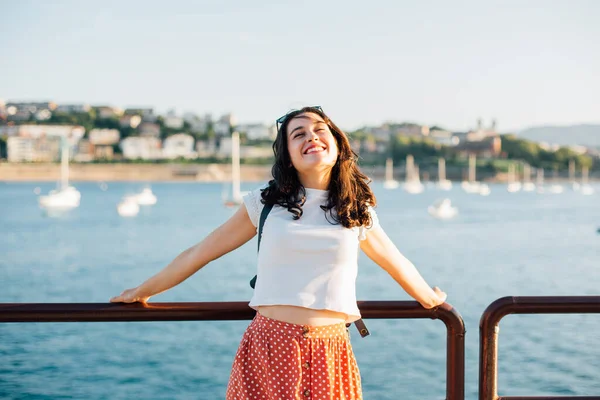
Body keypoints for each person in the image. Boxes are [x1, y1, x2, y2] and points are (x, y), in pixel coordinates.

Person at [110, 106, 447, 399]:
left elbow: (396, 262)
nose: (310, 137)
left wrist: (431, 300)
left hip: (330, 350)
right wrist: (143, 290)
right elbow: (201, 252)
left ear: (337, 144)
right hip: (268, 346)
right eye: (298, 134)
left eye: (319, 130)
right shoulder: (265, 203)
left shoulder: (355, 210)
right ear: (288, 154)